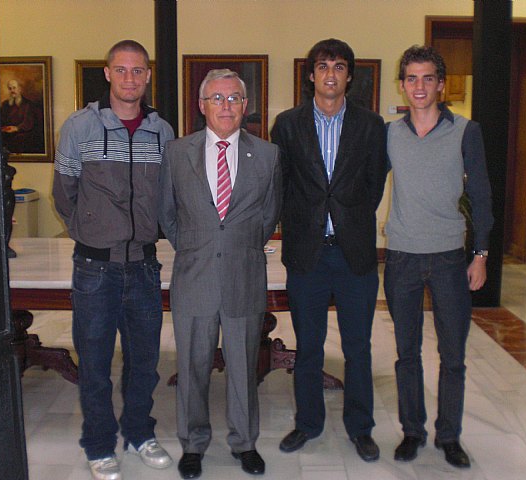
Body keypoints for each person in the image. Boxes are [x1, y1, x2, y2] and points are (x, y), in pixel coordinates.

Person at [52, 40, 174, 480]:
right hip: (95, 270)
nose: (129, 78)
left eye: (137, 70)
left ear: (148, 76)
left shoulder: (162, 132)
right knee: (96, 366)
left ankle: (140, 434)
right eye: (121, 70)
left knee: (144, 363)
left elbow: (167, 196)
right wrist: (90, 231)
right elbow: (64, 194)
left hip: (144, 267)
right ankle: (100, 445)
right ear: (107, 73)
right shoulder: (79, 127)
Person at [158, 69, 281, 479]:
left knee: (244, 367)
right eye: (217, 98)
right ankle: (193, 445)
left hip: (244, 276)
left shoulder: (268, 155)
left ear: (245, 106)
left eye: (234, 98)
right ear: (202, 105)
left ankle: (245, 443)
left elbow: (268, 215)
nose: (225, 106)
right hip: (194, 276)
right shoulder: (177, 153)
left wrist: (238, 246)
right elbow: (167, 213)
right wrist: (196, 246)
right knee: (192, 367)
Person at [270, 38, 387, 462]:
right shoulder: (288, 124)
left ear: (349, 75)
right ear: (311, 74)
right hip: (308, 255)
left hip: (355, 254)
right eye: (323, 66)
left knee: (358, 347)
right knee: (309, 346)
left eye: (339, 66)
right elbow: (282, 184)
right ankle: (308, 423)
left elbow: (374, 184)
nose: (331, 74)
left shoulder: (372, 126)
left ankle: (361, 428)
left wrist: (349, 219)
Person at [384, 45, 494, 469]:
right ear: (402, 85)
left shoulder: (465, 131)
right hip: (402, 258)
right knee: (406, 353)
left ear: (441, 85)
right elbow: (366, 186)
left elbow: (481, 195)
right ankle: (412, 431)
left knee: (453, 356)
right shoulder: (390, 134)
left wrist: (480, 254)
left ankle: (449, 436)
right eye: (411, 78)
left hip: (449, 258)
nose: (419, 86)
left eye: (428, 78)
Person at [0, 79, 44, 153]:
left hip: (22, 132)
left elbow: (28, 122)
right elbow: (2, 120)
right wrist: (4, 128)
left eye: (14, 88)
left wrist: (17, 128)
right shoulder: (5, 104)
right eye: (10, 88)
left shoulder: (28, 104)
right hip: (7, 132)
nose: (12, 91)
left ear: (19, 89)